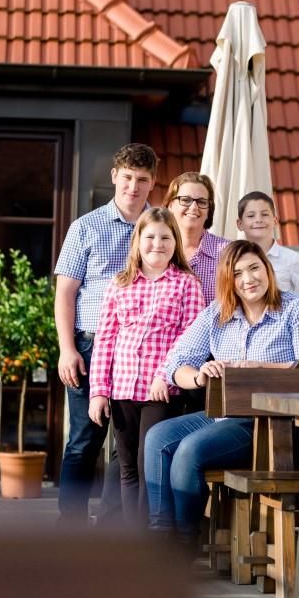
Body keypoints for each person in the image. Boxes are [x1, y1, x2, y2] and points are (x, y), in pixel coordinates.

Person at [143, 240, 299, 546]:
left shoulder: (295, 309)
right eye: (238, 273)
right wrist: (200, 376)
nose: (248, 279)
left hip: (270, 424)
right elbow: (176, 364)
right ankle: (161, 535)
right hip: (223, 413)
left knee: (189, 450)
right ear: (228, 280)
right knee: (158, 438)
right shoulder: (216, 314)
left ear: (267, 270)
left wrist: (261, 367)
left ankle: (184, 545)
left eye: (254, 268)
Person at [54, 143, 157, 527]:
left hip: (141, 351)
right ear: (115, 176)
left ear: (152, 183)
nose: (133, 186)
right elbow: (65, 292)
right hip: (90, 344)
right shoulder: (85, 227)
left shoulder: (161, 230)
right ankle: (72, 526)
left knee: (127, 447)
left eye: (142, 179)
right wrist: (67, 349)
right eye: (128, 177)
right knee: (84, 441)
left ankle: (112, 528)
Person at [87, 208, 205, 525]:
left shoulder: (186, 284)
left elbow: (190, 340)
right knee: (126, 468)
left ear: (175, 242)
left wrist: (163, 375)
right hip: (122, 388)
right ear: (138, 240)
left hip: (162, 391)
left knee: (147, 464)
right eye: (150, 236)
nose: (157, 244)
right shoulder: (119, 284)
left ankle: (148, 540)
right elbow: (105, 341)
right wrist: (98, 392)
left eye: (165, 237)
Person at [236, 191, 299, 311]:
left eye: (265, 214)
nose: (258, 220)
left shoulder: (292, 259)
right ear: (240, 224)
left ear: (275, 220)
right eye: (251, 216)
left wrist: (298, 324)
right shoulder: (232, 259)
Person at [163, 172, 230, 305]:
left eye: (201, 202)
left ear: (209, 210)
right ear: (171, 205)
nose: (194, 207)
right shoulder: (155, 249)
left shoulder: (228, 253)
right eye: (186, 200)